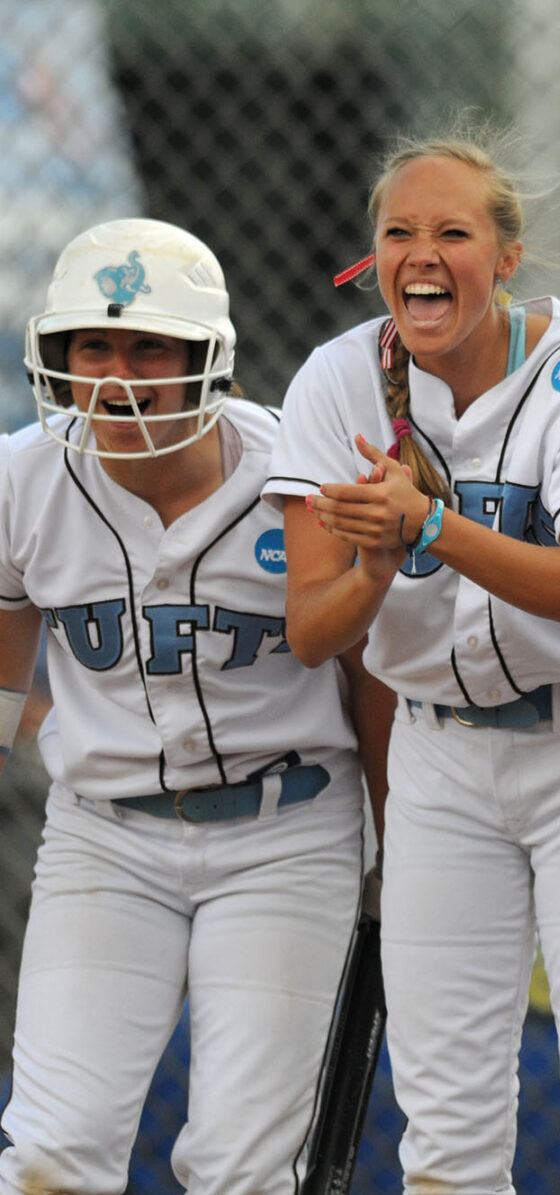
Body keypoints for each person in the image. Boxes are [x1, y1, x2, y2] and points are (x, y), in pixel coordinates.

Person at [266, 134, 560, 1192]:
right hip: (440, 762)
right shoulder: (336, 379)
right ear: (372, 259)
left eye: (454, 232)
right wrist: (374, 567)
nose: (423, 254)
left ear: (508, 257)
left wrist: (431, 526)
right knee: (447, 1147)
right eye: (399, 233)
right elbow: (315, 631)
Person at [0, 219, 384, 1193]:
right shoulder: (22, 480)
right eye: (95, 346)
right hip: (103, 836)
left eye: (148, 347)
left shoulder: (296, 470)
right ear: (56, 357)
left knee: (242, 1169)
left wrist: (397, 832)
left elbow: (366, 672)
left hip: (286, 830)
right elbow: (5, 678)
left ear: (205, 359)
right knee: (51, 1150)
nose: (120, 376)